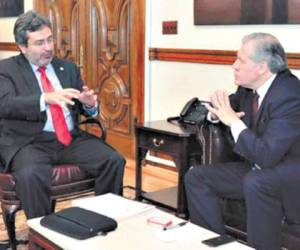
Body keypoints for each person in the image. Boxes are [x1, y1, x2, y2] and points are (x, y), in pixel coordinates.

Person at [0, 10, 125, 219]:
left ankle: (102, 222)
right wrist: (44, 99)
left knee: (113, 160)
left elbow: (83, 107)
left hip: (69, 138)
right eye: (39, 43)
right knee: (32, 174)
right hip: (30, 142)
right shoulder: (7, 69)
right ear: (22, 47)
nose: (48, 48)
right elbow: (4, 104)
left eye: (50, 39)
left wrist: (90, 104)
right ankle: (43, 235)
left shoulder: (67, 68)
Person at [185, 32, 300, 250]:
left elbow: (267, 156)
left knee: (256, 182)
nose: (234, 66)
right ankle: (216, 244)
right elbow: (229, 106)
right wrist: (216, 114)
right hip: (258, 167)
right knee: (197, 176)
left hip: (289, 174)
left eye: (241, 60)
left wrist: (232, 121)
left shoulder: (290, 95)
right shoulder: (249, 89)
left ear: (262, 67)